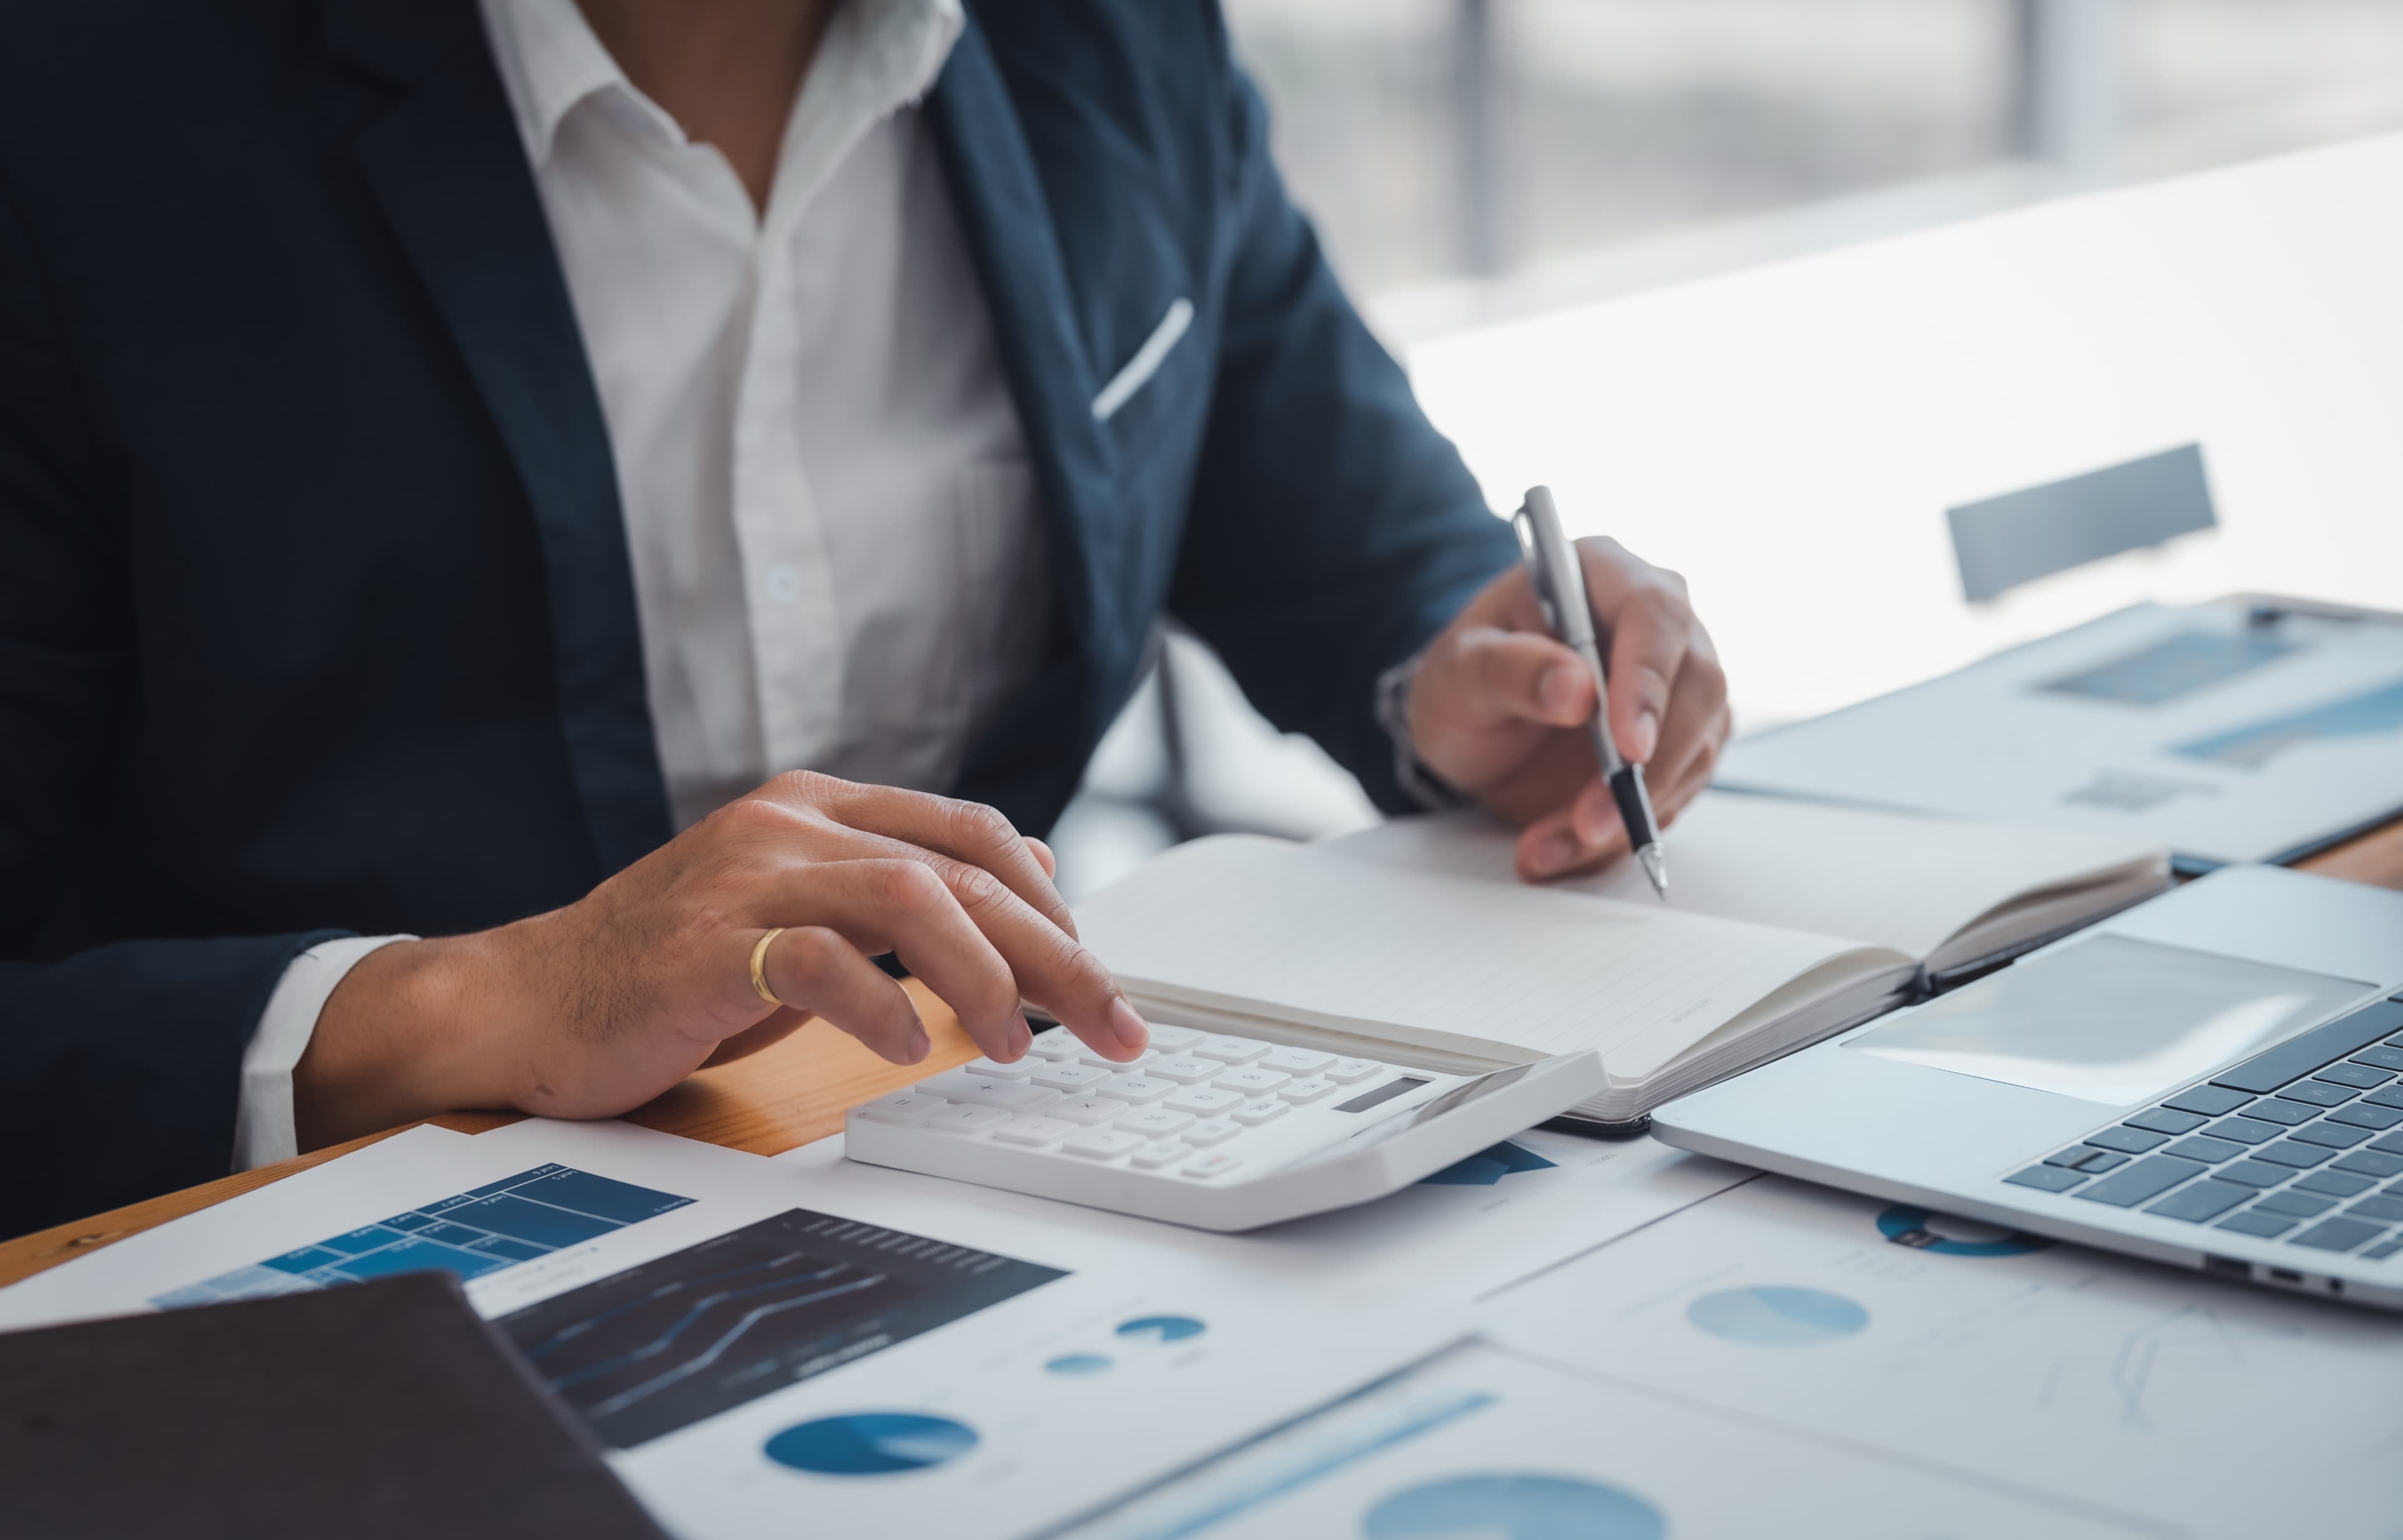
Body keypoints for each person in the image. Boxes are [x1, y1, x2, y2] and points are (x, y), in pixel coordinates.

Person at [0, 0, 1728, 1238]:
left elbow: (1360, 551)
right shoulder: (88, 114)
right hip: (314, 1270)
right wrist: (492, 1002)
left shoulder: (1117, 47)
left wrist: (1485, 677)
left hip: (1002, 1178)